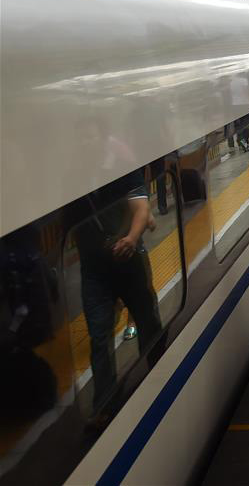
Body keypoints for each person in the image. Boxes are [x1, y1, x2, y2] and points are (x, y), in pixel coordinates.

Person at [64, 169, 163, 416]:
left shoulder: (121, 168)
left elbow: (141, 207)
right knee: (99, 335)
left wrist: (130, 238)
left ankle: (161, 375)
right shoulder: (72, 178)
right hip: (94, 270)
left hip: (128, 261)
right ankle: (105, 406)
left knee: (147, 321)